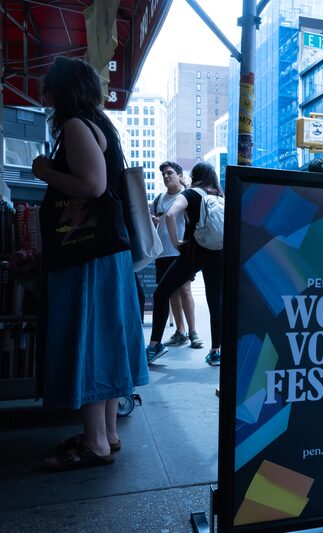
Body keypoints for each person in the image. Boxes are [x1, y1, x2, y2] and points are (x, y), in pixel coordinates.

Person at [33, 57, 147, 470]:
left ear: (64, 91)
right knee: (105, 339)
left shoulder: (76, 126)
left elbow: (93, 186)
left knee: (91, 341)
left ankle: (96, 442)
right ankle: (106, 434)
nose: (43, 97)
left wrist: (44, 170)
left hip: (88, 253)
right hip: (105, 253)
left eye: (48, 89)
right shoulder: (100, 124)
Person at [146, 162, 224, 366]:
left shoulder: (191, 194)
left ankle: (154, 346)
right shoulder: (219, 195)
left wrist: (176, 242)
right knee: (215, 301)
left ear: (194, 176)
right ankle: (216, 351)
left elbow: (171, 215)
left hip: (194, 252)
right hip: (218, 253)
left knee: (161, 293)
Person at [152, 162, 202, 349]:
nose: (166, 176)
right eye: (163, 174)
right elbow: (160, 222)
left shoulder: (187, 196)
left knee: (185, 290)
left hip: (181, 251)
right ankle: (180, 332)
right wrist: (156, 221)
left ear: (180, 175)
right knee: (170, 292)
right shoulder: (159, 199)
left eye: (170, 173)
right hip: (163, 252)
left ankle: (193, 332)